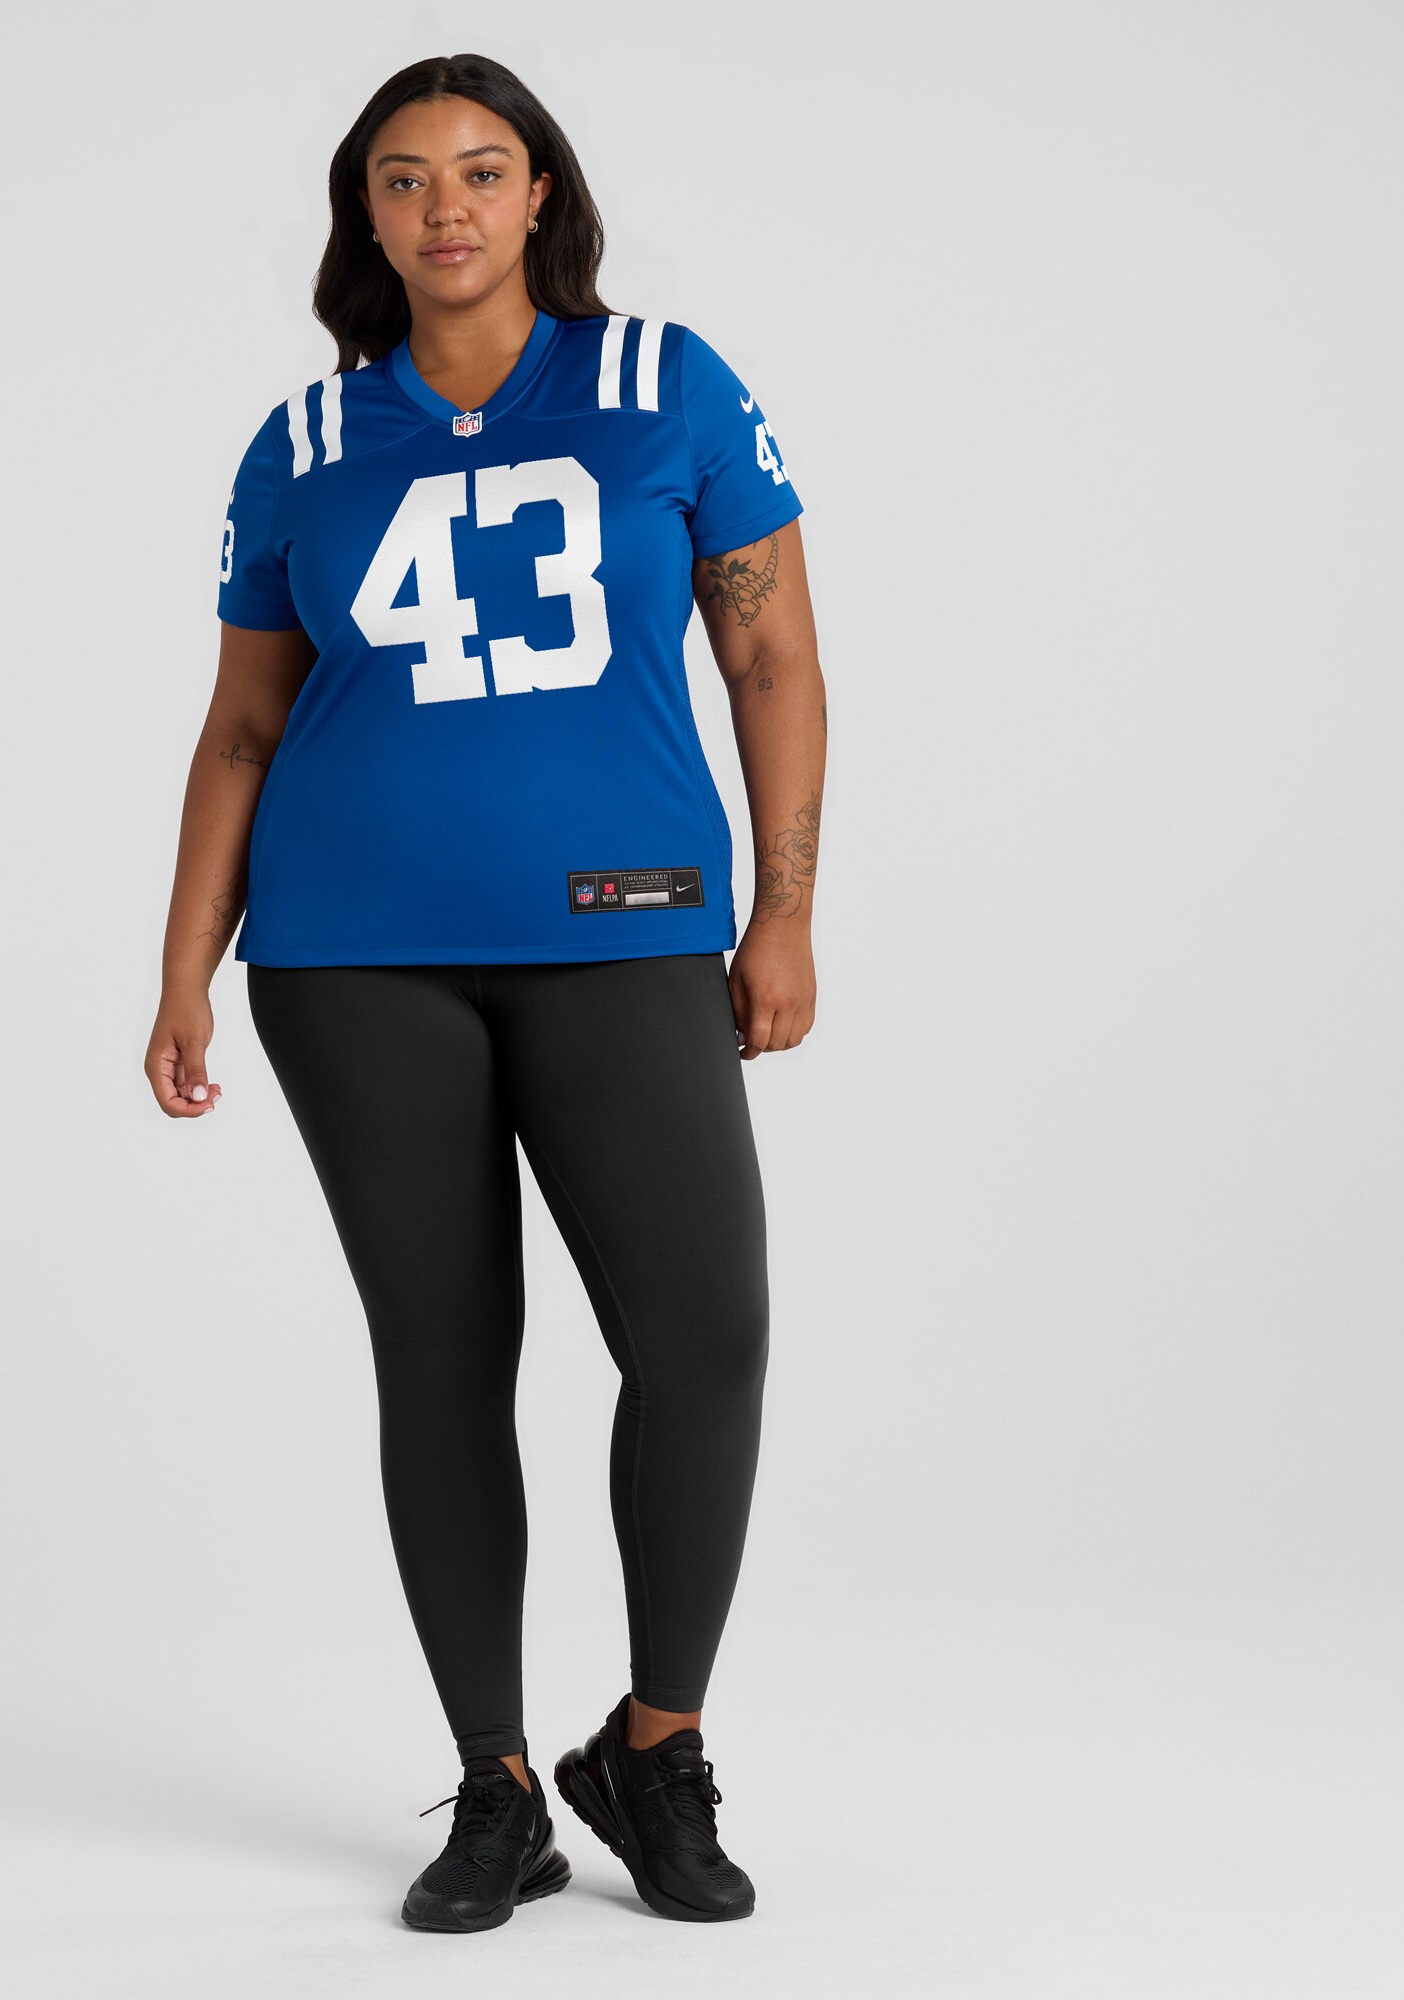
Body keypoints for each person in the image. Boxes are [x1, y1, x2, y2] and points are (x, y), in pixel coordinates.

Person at [145, 51, 825, 1933]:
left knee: (703, 1339)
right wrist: (185, 963)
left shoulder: (664, 385)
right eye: (402, 177)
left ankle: (654, 1749)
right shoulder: (301, 442)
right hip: (351, 955)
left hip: (628, 926)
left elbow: (773, 661)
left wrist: (783, 912)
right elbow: (243, 724)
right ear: (364, 216)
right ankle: (498, 1786)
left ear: (542, 197)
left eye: (480, 169)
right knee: (442, 1355)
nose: (443, 205)